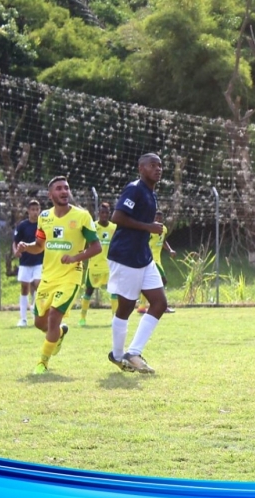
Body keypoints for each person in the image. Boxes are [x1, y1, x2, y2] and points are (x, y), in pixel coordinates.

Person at [14, 177, 101, 374]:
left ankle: (42, 362)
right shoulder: (44, 217)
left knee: (54, 317)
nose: (64, 191)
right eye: (59, 188)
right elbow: (39, 246)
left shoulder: (82, 216)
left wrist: (75, 257)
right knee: (39, 323)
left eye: (66, 188)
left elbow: (96, 247)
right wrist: (25, 247)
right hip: (48, 277)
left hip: (71, 276)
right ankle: (59, 334)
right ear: (50, 194)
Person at [106, 153, 168, 374]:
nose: (158, 169)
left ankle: (133, 352)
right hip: (125, 256)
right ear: (141, 168)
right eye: (153, 165)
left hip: (143, 256)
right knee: (126, 307)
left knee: (159, 303)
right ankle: (117, 353)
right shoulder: (134, 189)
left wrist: (148, 228)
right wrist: (148, 226)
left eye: (160, 165)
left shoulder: (151, 193)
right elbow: (117, 217)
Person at [79, 202, 117, 326]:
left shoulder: (114, 228)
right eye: (102, 212)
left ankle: (114, 319)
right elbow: (84, 243)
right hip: (94, 266)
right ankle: (82, 318)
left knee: (114, 292)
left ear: (109, 214)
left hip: (109, 266)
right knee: (88, 291)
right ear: (98, 213)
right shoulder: (92, 227)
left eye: (106, 213)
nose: (104, 215)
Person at [138, 210, 176, 314]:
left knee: (147, 283)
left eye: (160, 218)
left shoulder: (164, 229)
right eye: (156, 218)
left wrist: (170, 250)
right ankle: (161, 306)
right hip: (150, 259)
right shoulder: (150, 230)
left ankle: (142, 307)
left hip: (157, 260)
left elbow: (163, 241)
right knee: (163, 280)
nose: (158, 220)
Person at [12, 199, 43, 327]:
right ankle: (23, 319)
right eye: (33, 210)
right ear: (28, 211)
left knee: (38, 284)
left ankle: (36, 310)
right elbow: (15, 241)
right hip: (25, 262)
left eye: (37, 209)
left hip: (39, 261)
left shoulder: (43, 225)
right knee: (24, 287)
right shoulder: (22, 226)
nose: (35, 212)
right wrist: (16, 252)